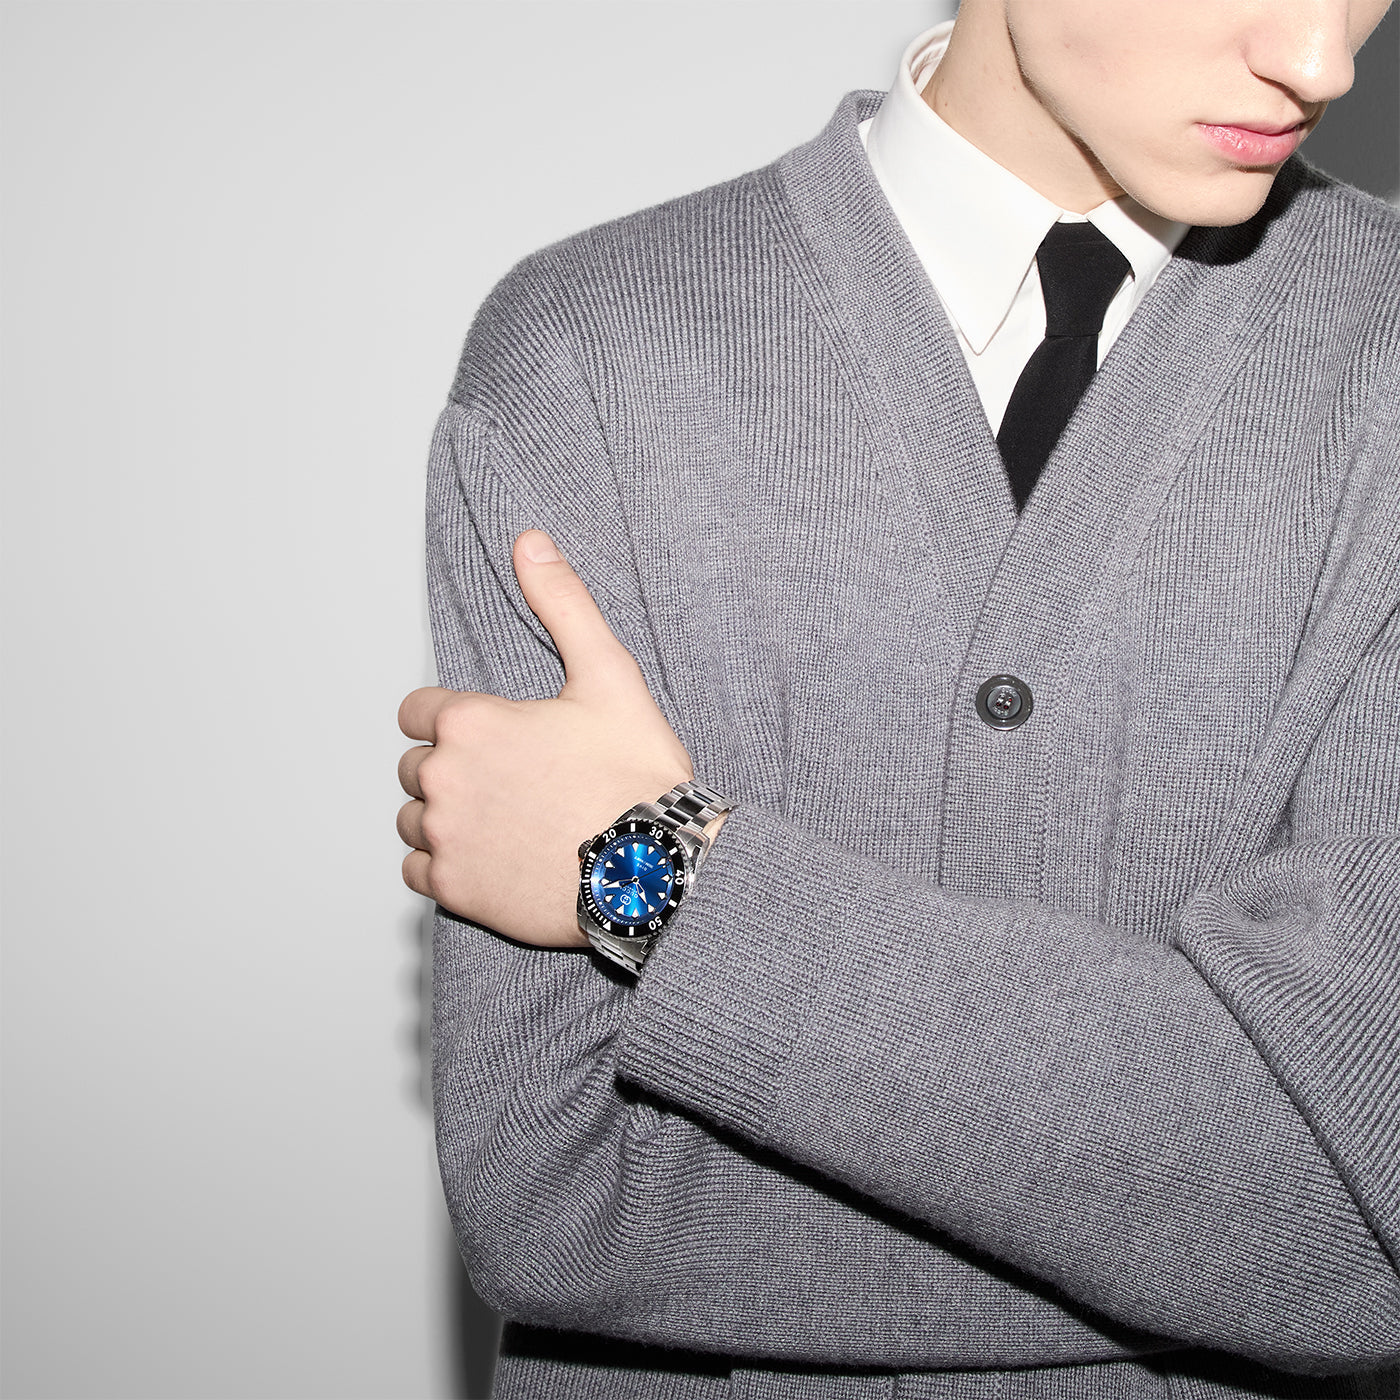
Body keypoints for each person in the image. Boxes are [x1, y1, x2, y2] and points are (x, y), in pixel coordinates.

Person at [395, 1, 1400, 1395]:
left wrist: (663, 876)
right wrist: (1216, 1209)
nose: (1323, 59)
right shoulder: (590, 353)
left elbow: (1367, 1240)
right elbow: (554, 1199)